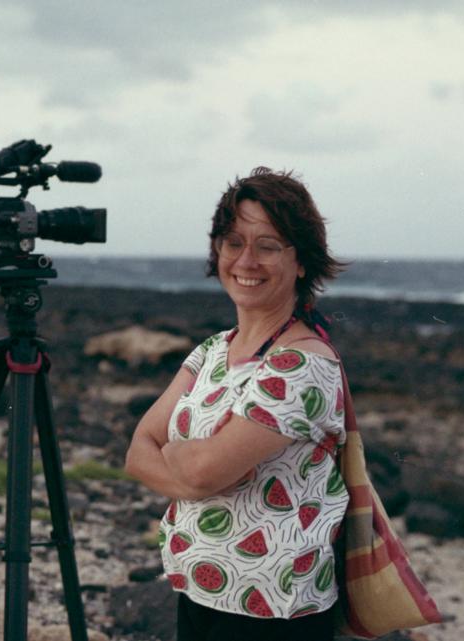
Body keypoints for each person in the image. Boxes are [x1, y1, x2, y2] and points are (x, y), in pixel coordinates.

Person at [125, 167, 347, 641]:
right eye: (232, 243)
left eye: (267, 245)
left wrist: (182, 457)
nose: (246, 260)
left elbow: (199, 469)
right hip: (198, 591)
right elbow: (137, 451)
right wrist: (191, 467)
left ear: (302, 261)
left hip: (274, 610)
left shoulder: (302, 365)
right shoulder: (210, 351)